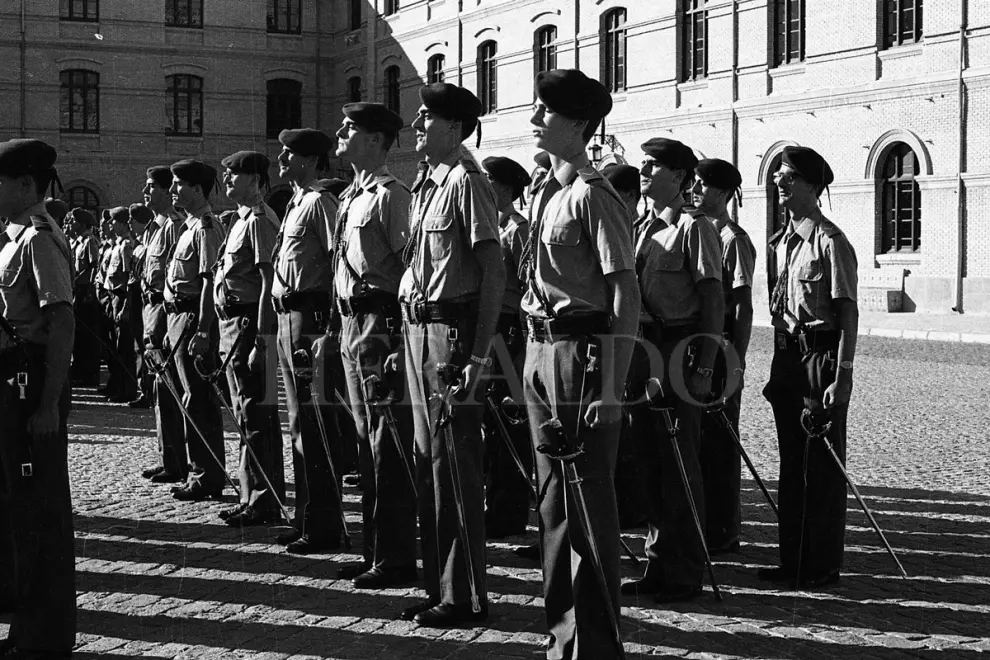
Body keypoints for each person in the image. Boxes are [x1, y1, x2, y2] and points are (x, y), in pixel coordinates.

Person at [521, 69, 640, 660]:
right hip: (541, 351)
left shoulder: (595, 194)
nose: (535, 119)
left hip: (581, 356)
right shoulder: (548, 190)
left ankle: (594, 646)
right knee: (552, 506)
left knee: (587, 505)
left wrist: (612, 386)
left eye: (546, 111)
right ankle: (563, 639)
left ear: (578, 124)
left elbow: (625, 292)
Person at [397, 82, 505, 627]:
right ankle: (440, 586)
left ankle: (463, 595)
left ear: (455, 128)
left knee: (455, 468)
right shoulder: (429, 184)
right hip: (420, 334)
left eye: (426, 118)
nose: (417, 125)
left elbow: (493, 272)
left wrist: (480, 356)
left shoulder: (467, 183)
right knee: (429, 463)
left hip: (452, 338)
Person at [620, 138, 724, 605]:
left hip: (679, 351)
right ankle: (657, 562)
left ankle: (684, 571)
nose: (642, 171)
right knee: (649, 461)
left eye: (653, 165)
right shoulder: (645, 227)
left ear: (679, 177)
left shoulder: (694, 227)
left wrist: (704, 366)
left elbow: (714, 300)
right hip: (645, 353)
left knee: (680, 463)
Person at [760, 145, 858, 589]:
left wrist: (843, 375)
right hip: (790, 357)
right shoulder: (784, 241)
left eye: (790, 177)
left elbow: (848, 314)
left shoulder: (830, 241)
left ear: (813, 186)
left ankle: (820, 566)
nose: (780, 183)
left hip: (820, 357)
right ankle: (793, 561)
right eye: (779, 176)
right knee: (791, 462)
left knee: (819, 465)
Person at [331, 102, 419, 588]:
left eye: (350, 129)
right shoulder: (353, 196)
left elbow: (410, 270)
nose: (341, 134)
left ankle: (396, 556)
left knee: (388, 443)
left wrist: (399, 339)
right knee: (365, 443)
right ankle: (374, 551)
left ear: (374, 140)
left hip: (380, 324)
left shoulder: (391, 196)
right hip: (350, 324)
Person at [0, 138, 76, 659]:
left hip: (30, 386)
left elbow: (62, 321)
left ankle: (42, 637)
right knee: (14, 507)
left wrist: (49, 404)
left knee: (38, 510)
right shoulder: (12, 235)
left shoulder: (37, 238)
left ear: (25, 184)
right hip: (10, 382)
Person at [272, 127, 349, 554]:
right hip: (289, 317)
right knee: (300, 422)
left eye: (290, 154)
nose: (281, 160)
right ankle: (307, 518)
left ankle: (325, 524)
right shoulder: (297, 202)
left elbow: (340, 264)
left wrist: (333, 327)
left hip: (311, 318)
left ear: (312, 160)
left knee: (318, 423)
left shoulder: (321, 202)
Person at [211, 150, 286, 527]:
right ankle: (250, 494)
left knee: (256, 412)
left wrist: (262, 338)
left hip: (247, 325)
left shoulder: (260, 220)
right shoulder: (241, 221)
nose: (226, 181)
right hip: (232, 325)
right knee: (244, 412)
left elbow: (268, 283)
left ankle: (264, 499)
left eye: (233, 175)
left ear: (255, 181)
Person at [691, 158, 755, 554]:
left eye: (703, 184)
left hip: (724, 349)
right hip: (699, 347)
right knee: (700, 442)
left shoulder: (732, 239)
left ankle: (724, 530)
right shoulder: (699, 230)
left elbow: (744, 305)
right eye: (695, 182)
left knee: (720, 443)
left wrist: (738, 360)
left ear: (724, 193)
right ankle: (703, 522)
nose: (695, 189)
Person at [164, 159, 226, 502]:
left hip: (192, 320)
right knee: (190, 398)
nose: (173, 190)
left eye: (178, 185)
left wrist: (203, 330)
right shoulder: (188, 227)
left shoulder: (205, 228)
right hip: (178, 319)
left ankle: (206, 475)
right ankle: (198, 470)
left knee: (198, 399)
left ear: (197, 190)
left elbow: (208, 283)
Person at [479, 155, 532, 540]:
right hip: (487, 327)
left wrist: (522, 349)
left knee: (506, 425)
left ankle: (507, 513)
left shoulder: (517, 231)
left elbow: (530, 292)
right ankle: (492, 504)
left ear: (507, 190)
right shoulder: (485, 226)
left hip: (510, 331)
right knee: (486, 422)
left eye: (489, 182)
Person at [140, 166, 189, 483]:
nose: (145, 193)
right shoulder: (154, 228)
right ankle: (167, 456)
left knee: (170, 387)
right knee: (160, 387)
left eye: (150, 188)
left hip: (163, 308)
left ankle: (177, 462)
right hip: (151, 309)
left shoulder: (174, 226)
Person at [103, 207, 138, 404]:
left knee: (124, 347)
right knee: (116, 346)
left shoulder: (126, 245)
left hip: (121, 297)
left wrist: (125, 307)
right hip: (112, 296)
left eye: (113, 221)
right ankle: (118, 386)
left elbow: (128, 278)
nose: (110, 225)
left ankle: (127, 389)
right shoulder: (117, 245)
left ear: (123, 223)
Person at [68, 207, 102, 388]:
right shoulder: (80, 242)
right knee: (79, 335)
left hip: (86, 291)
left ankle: (89, 375)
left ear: (81, 223)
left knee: (87, 336)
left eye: (73, 221)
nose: (70, 224)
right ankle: (80, 372)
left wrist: (88, 290)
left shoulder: (90, 241)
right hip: (78, 289)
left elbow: (94, 266)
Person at [127, 203, 156, 408]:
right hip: (135, 297)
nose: (129, 223)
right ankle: (144, 388)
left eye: (133, 220)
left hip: (143, 297)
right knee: (139, 347)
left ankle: (150, 390)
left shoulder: (147, 245)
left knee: (147, 347)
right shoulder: (138, 245)